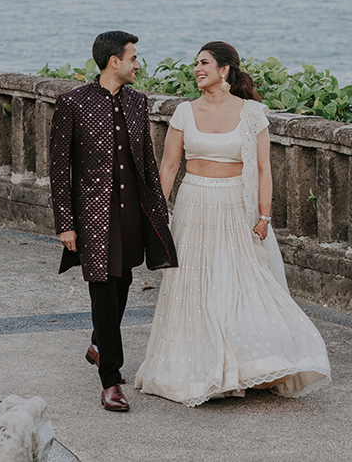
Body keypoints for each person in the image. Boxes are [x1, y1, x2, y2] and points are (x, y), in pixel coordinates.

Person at [134, 41, 331, 406]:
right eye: (195, 64)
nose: (197, 69)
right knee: (193, 286)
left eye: (204, 63)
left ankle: (251, 365)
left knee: (239, 283)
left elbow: (262, 169)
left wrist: (264, 215)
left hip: (233, 207)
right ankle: (203, 369)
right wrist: (156, 214)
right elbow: (169, 167)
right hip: (193, 203)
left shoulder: (252, 113)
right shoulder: (183, 112)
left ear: (224, 70)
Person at [49, 31, 178, 412]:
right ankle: (111, 379)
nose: (138, 65)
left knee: (122, 282)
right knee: (103, 288)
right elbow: (59, 170)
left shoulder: (139, 102)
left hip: (131, 212)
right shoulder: (72, 103)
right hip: (92, 216)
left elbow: (148, 164)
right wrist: (65, 223)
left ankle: (98, 342)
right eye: (133, 57)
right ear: (113, 61)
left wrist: (158, 209)